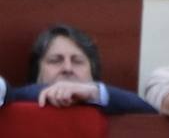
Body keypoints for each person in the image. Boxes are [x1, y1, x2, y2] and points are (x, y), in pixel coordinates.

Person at [0, 24, 154, 114]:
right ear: (37, 72)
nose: (67, 68)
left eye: (78, 61)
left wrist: (95, 93)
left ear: (93, 72)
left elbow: (149, 111)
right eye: (55, 61)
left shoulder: (110, 99)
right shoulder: (18, 98)